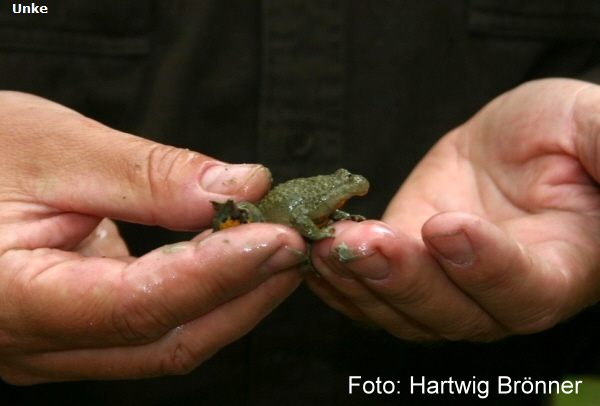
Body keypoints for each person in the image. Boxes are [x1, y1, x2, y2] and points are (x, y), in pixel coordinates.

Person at [2, 1, 600, 404]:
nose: (346, 190)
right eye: (342, 189)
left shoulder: (329, 204)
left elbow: (321, 219)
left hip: (527, 381)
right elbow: (307, 224)